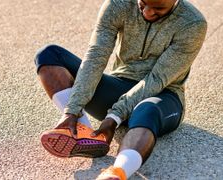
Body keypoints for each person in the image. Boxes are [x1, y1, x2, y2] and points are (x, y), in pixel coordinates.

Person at [34, 0, 207, 179]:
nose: (147, 13)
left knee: (146, 109)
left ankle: (117, 172)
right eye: (143, 3)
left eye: (158, 9)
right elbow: (96, 56)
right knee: (49, 54)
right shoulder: (118, 3)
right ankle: (85, 134)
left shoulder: (192, 23)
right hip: (119, 86)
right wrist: (73, 110)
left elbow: (157, 79)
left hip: (162, 95)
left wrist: (114, 116)